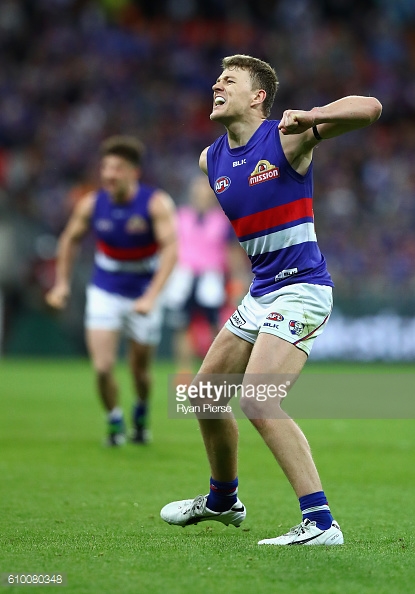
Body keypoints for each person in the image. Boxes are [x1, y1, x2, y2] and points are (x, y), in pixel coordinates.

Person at [160, 55, 382, 544]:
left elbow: (369, 107)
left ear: (258, 97)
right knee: (203, 395)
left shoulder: (286, 137)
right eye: (217, 78)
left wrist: (314, 116)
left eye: (230, 80)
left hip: (302, 286)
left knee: (259, 400)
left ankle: (322, 523)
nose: (216, 83)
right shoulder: (209, 159)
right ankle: (223, 499)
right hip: (261, 291)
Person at [46, 135, 177, 446]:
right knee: (103, 367)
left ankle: (141, 412)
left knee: (140, 371)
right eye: (105, 167)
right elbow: (68, 240)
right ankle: (115, 421)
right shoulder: (92, 203)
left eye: (117, 168)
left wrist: (151, 297)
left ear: (133, 172)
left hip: (144, 292)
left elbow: (171, 250)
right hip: (105, 289)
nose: (109, 174)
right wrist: (61, 284)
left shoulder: (155, 203)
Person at [164, 172, 248, 374]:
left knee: (214, 325)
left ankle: (213, 369)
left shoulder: (222, 220)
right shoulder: (180, 216)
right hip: (183, 276)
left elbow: (232, 252)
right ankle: (183, 371)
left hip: (211, 277)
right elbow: (170, 247)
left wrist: (239, 278)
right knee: (181, 324)